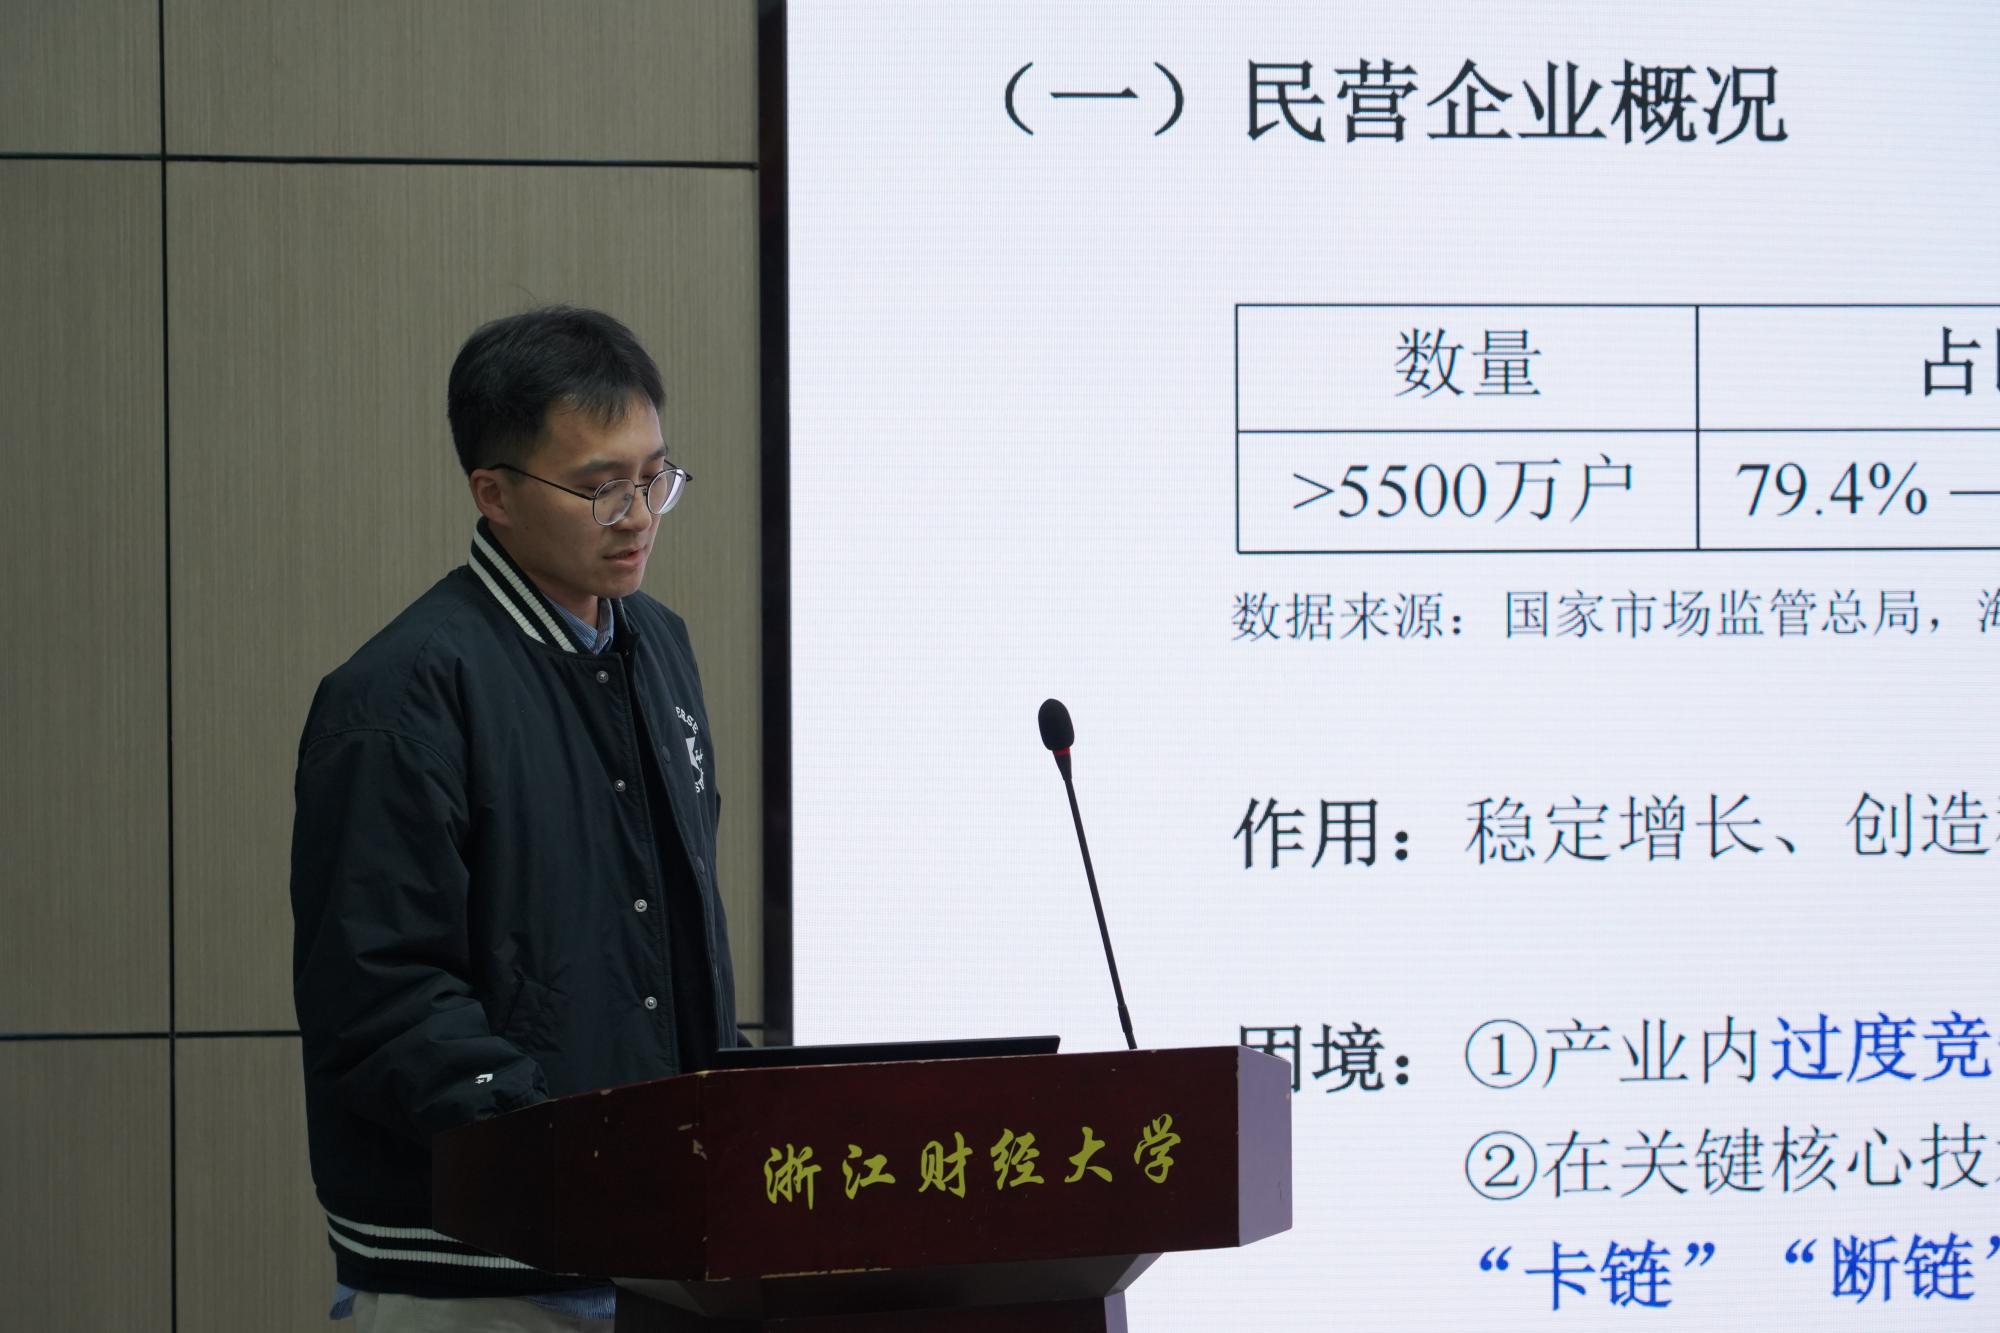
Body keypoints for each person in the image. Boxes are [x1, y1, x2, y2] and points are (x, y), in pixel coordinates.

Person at [290, 306, 739, 1331]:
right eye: (600, 487)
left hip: (649, 1244)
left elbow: (671, 938)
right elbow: (380, 995)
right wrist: (563, 1149)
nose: (638, 514)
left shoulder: (657, 645)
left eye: (655, 476)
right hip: (480, 1262)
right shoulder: (399, 696)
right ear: (492, 492)